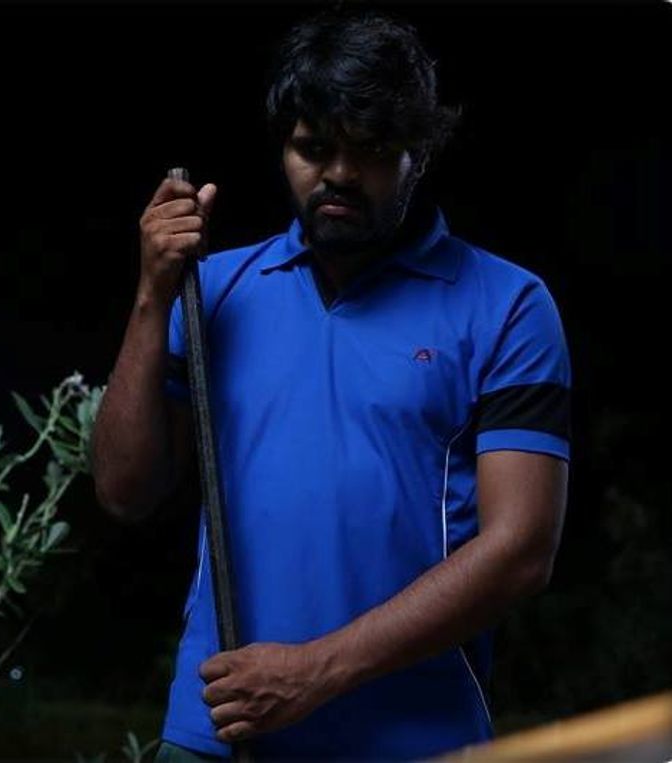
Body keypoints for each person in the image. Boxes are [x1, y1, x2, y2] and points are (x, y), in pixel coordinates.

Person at [90, 6, 571, 762]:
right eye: (314, 148)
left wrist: (314, 672)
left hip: (417, 741)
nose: (340, 174)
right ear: (284, 147)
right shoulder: (213, 289)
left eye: (372, 150)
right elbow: (124, 490)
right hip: (220, 733)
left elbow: (521, 550)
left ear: (419, 153)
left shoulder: (507, 304)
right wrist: (153, 295)